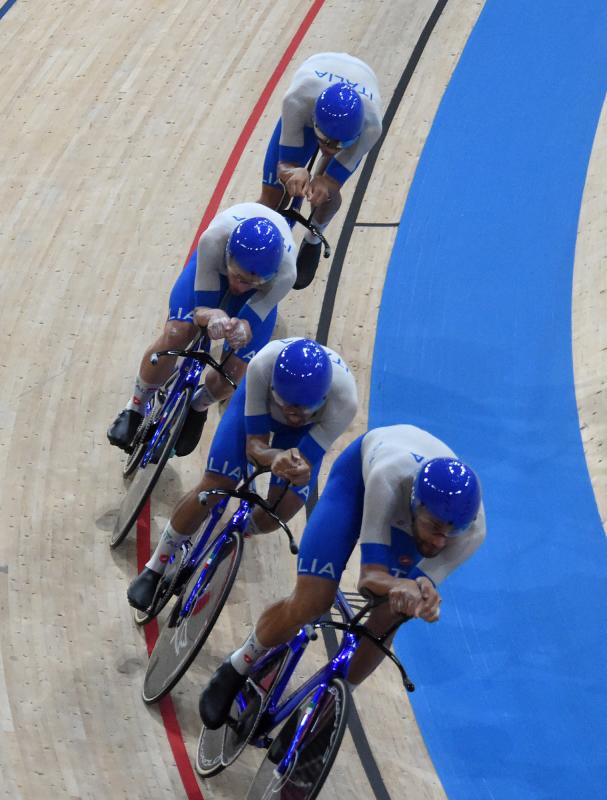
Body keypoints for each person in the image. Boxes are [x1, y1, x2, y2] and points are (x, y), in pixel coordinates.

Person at [199, 424, 485, 729]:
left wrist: (423, 595)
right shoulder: (388, 476)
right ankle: (238, 664)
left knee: (390, 616)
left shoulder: (472, 531)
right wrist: (402, 585)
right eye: (435, 529)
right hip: (358, 485)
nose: (440, 542)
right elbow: (370, 580)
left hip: (411, 507)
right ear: (417, 506)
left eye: (450, 534)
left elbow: (423, 580)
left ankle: (327, 710)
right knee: (312, 601)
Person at [126, 337, 358, 610]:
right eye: (285, 403)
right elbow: (254, 447)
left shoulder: (344, 401)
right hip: (260, 413)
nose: (294, 415)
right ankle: (156, 566)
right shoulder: (263, 365)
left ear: (323, 398)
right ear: (274, 386)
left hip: (304, 436)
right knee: (215, 485)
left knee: (281, 509)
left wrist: (299, 469)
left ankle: (229, 535)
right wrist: (274, 457)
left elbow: (303, 462)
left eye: (304, 410)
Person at [107, 203, 297, 457]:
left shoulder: (285, 274)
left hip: (257, 295)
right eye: (237, 276)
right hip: (212, 272)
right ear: (228, 256)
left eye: (251, 282)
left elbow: (251, 321)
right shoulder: (215, 240)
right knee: (177, 334)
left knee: (235, 372)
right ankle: (135, 406)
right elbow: (201, 310)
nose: (240, 286)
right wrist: (212, 315)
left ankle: (198, 406)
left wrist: (242, 328)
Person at [259, 52, 382, 289]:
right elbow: (284, 165)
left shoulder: (371, 126)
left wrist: (326, 182)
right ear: (314, 121)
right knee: (273, 196)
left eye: (340, 145)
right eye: (325, 141)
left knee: (326, 193)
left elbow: (333, 181)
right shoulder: (297, 101)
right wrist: (294, 172)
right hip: (312, 89)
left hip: (357, 90)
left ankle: (313, 238)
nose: (329, 149)